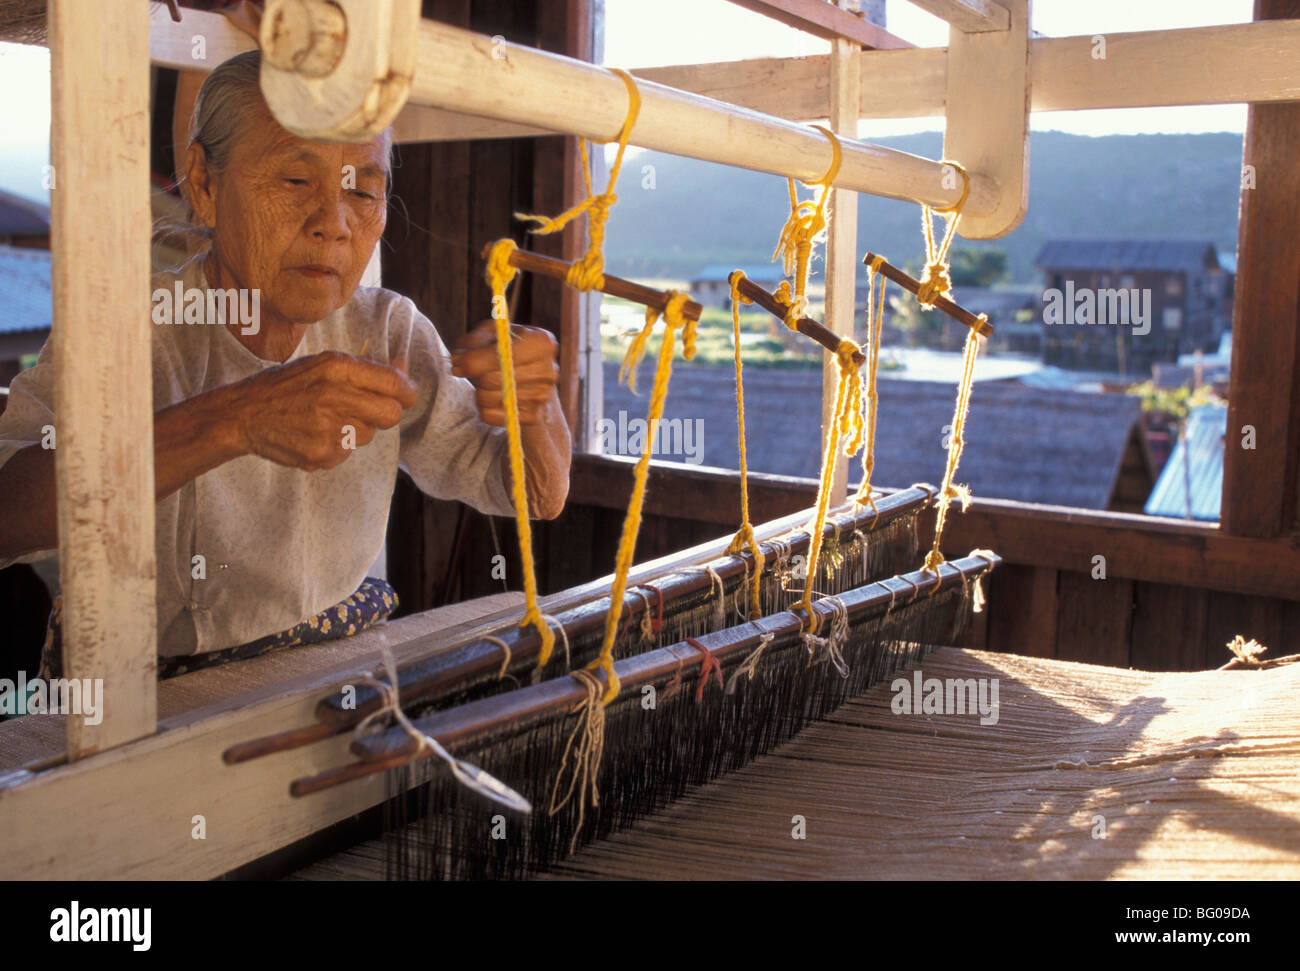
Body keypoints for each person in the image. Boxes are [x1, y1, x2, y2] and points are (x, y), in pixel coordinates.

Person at [0, 50, 570, 677]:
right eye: (296, 182)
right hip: (145, 697)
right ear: (206, 184)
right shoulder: (130, 331)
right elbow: (6, 517)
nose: (333, 224)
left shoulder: (383, 330)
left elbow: (534, 495)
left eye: (363, 191)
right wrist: (236, 419)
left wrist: (536, 409)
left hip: (330, 678)